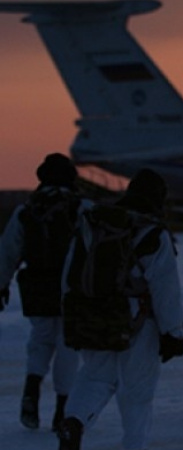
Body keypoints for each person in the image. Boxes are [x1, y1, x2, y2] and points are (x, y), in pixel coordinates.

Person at [57, 169, 183, 450]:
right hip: (137, 320)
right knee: (137, 391)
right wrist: (173, 332)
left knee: (95, 376)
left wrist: (73, 311)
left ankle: (74, 422)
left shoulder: (93, 224)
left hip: (92, 313)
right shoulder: (153, 232)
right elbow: (166, 289)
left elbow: (71, 274)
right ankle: (134, 445)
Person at [0, 153, 87, 431]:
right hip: (73, 289)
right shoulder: (82, 208)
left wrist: (1, 285)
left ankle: (31, 390)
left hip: (36, 286)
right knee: (67, 346)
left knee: (40, 339)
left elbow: (8, 252)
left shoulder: (27, 210)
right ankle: (62, 409)